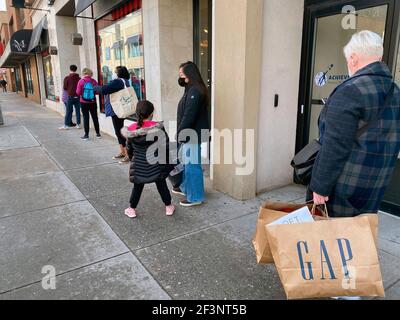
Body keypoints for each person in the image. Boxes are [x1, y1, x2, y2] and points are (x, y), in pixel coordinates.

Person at [309, 30, 400, 219]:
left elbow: (335, 145)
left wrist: (320, 187)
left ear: (353, 58)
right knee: (359, 235)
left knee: (334, 241)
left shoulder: (349, 90)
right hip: (376, 182)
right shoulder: (395, 91)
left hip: (344, 186)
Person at [121, 100, 175, 218]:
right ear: (151, 113)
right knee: (161, 184)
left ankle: (131, 209)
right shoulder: (157, 127)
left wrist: (133, 159)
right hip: (156, 164)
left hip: (139, 164)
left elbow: (129, 149)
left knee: (137, 186)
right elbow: (165, 146)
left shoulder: (131, 130)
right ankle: (168, 207)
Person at [173, 61, 210, 207]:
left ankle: (195, 197)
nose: (180, 76)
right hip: (191, 134)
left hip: (192, 134)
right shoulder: (191, 89)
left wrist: (180, 132)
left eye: (182, 74)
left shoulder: (195, 91)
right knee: (189, 164)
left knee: (192, 165)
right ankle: (186, 188)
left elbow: (189, 115)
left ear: (189, 74)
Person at [94, 66, 131, 164]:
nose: (113, 73)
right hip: (120, 108)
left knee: (120, 132)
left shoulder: (118, 82)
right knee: (119, 131)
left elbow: (105, 89)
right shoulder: (125, 81)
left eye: (115, 72)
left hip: (117, 110)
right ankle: (123, 152)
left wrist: (94, 87)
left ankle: (127, 154)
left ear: (119, 73)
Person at [76, 68, 101, 140]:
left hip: (83, 102)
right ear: (90, 73)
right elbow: (97, 91)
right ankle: (98, 134)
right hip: (93, 102)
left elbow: (78, 92)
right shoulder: (94, 81)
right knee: (95, 117)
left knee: (86, 118)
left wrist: (83, 95)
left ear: (84, 73)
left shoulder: (81, 81)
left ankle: (86, 135)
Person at [61, 65, 81, 130]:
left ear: (70, 69)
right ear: (76, 69)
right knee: (78, 110)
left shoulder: (67, 78)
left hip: (70, 96)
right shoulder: (79, 78)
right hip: (78, 96)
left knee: (68, 111)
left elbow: (65, 87)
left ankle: (66, 125)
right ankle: (78, 124)